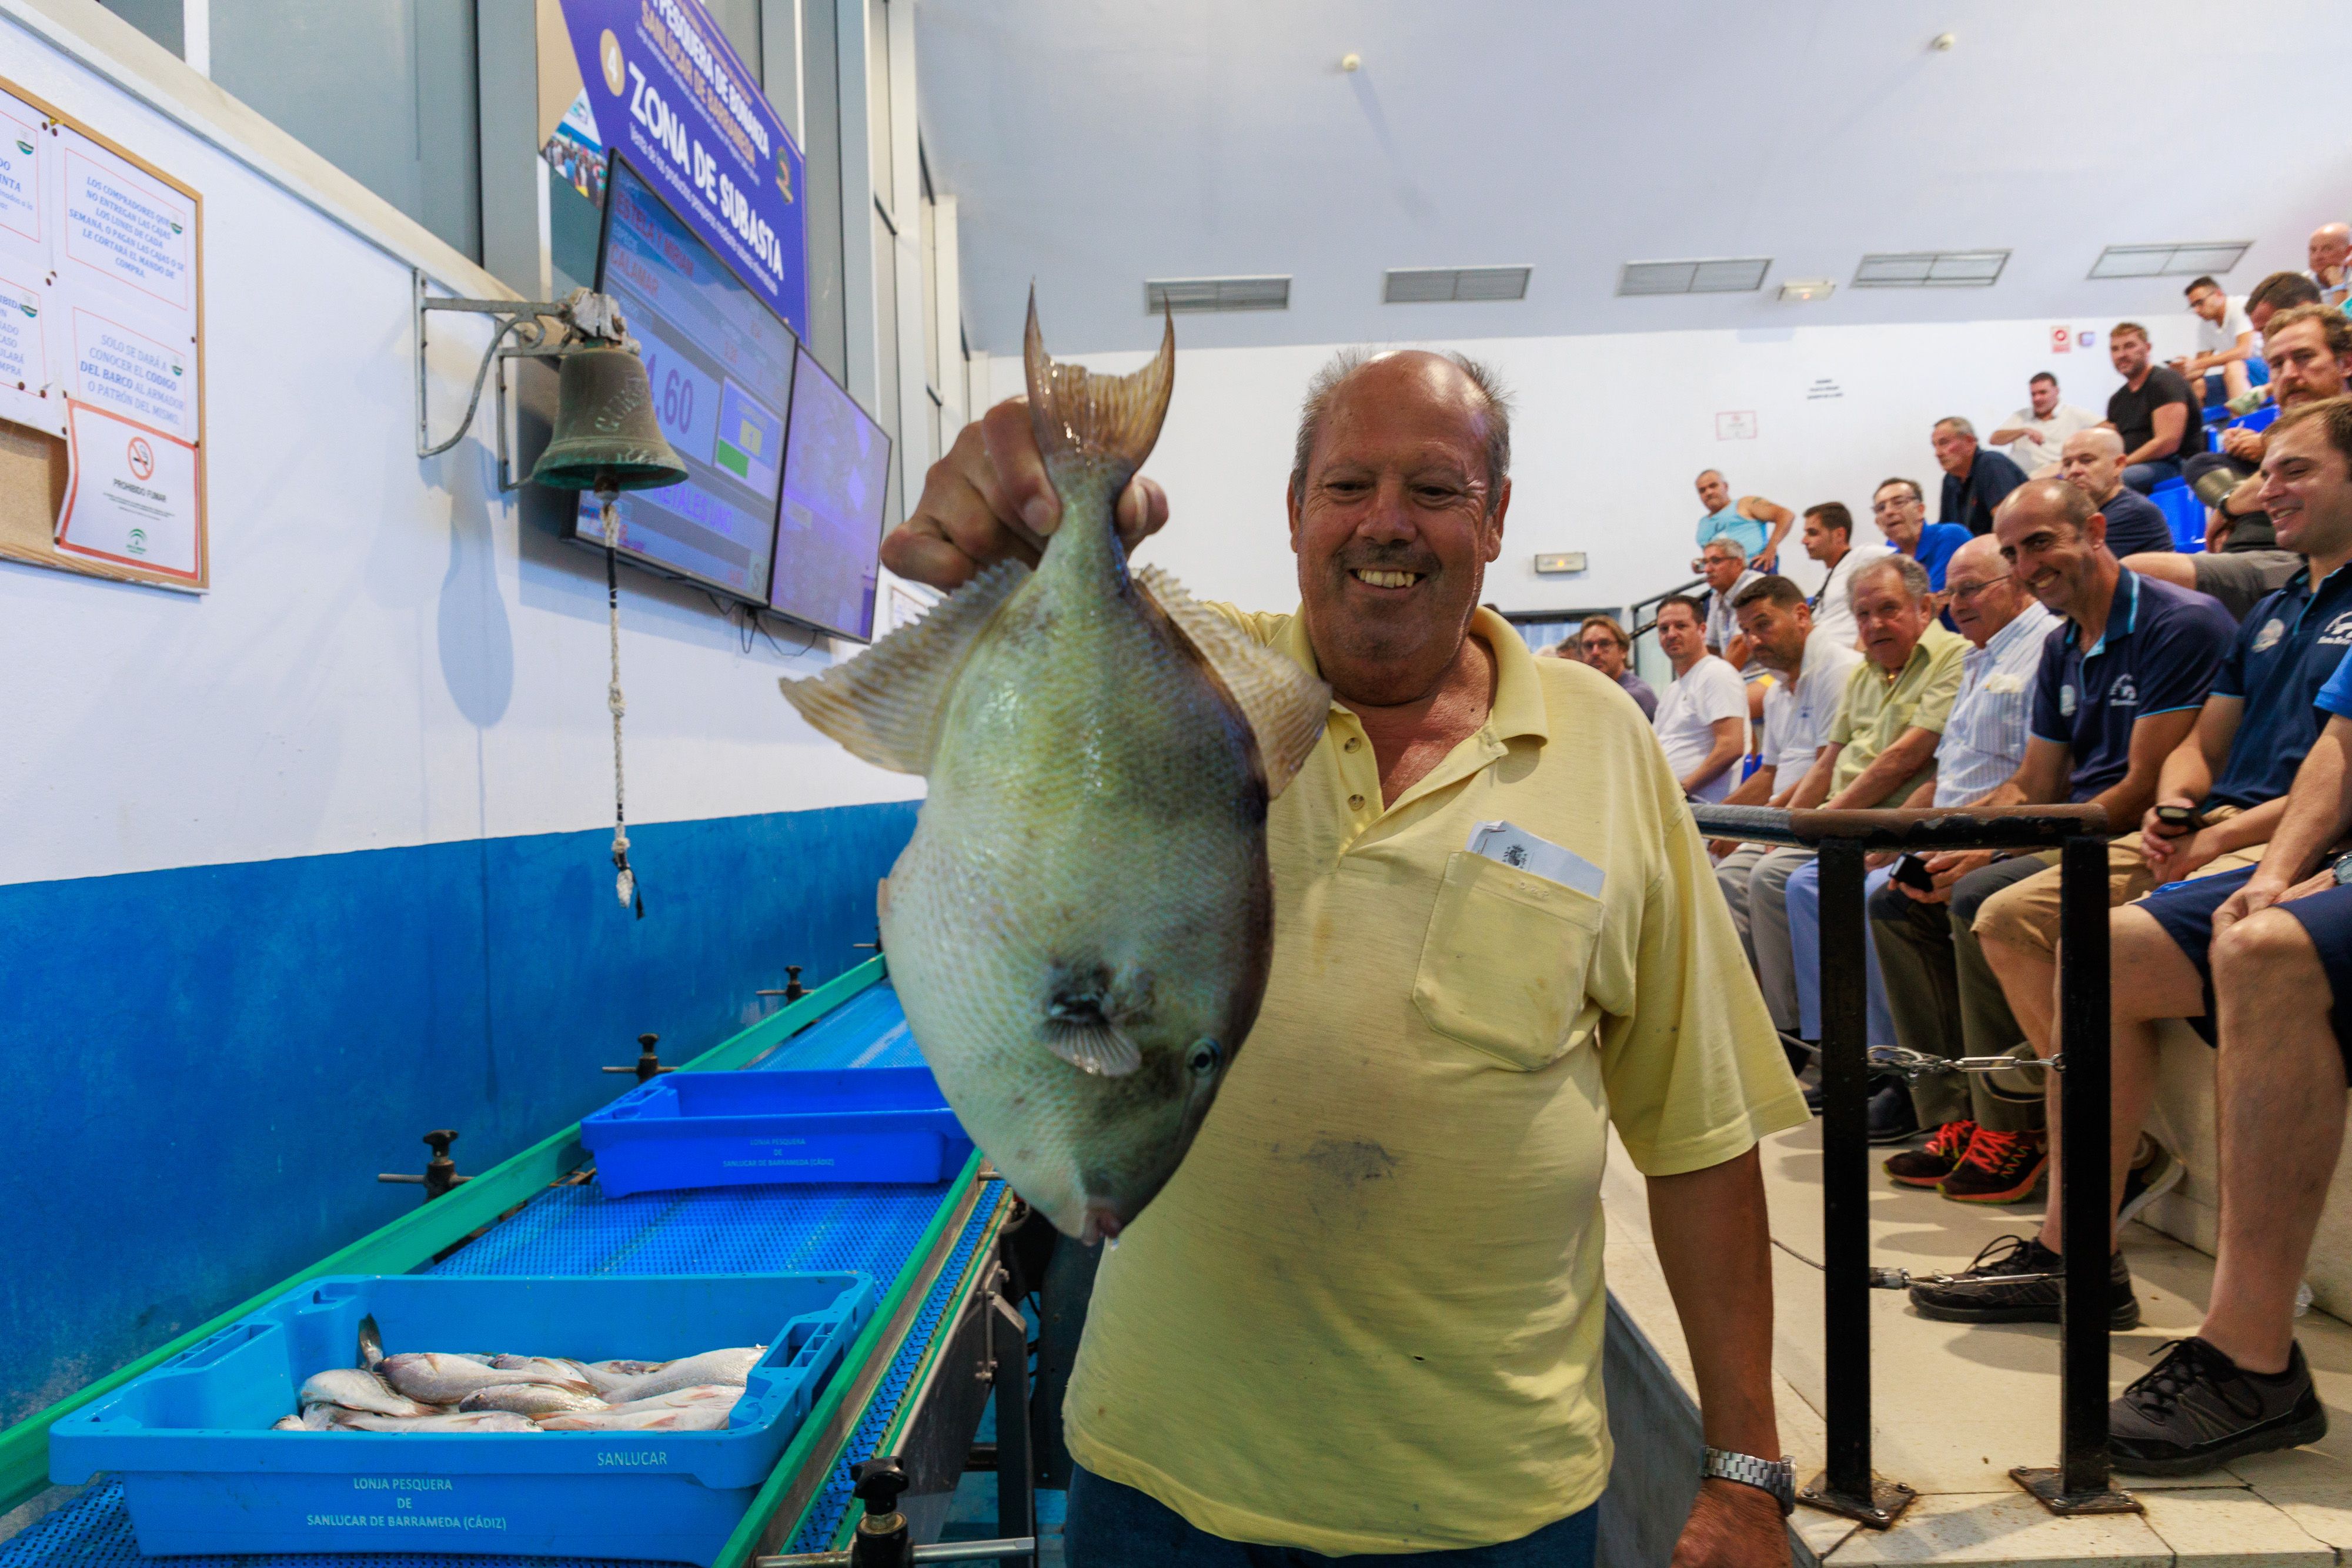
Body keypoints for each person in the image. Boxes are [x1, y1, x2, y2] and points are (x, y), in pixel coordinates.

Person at [890, 348, 1806, 1564]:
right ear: (1292, 513)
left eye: (1433, 488)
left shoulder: (1608, 745)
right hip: (1161, 1484)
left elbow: (1696, 1135)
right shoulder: (1189, 681)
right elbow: (1015, 675)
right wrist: (1005, 506)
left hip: (1493, 1507)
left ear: (1494, 518)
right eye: (1346, 485)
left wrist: (1742, 1469)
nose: (1386, 522)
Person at [1925, 397, 2352, 1368]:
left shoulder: (2191, 614)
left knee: (2046, 921)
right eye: (2266, 470)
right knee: (2075, 943)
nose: (2264, 489)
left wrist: (2220, 837)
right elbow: (2200, 749)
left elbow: (2329, 772)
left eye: (2296, 471)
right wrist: (2180, 809)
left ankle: (2240, 1340)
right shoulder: (2280, 607)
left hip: (2280, 841)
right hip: (2210, 834)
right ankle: (2082, 1248)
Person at [1876, 482, 2232, 1222]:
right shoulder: (2065, 642)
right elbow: (2033, 781)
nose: (2028, 565)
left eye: (2040, 543)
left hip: (2144, 829)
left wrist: (1989, 854)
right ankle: (1971, 1112)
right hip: (2077, 824)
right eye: (2013, 551)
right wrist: (1958, 837)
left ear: (2095, 530)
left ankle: (2038, 1128)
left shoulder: (2178, 622)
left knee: (1981, 896)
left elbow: (2138, 787)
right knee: (1900, 897)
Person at [1822, 536, 2056, 1162]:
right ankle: (1946, 1110)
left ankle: (2008, 1123)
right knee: (1891, 903)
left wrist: (1978, 847)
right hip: (1964, 825)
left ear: (2018, 580)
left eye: (1971, 589)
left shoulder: (2046, 646)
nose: (1958, 604)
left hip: (2023, 830)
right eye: (1953, 592)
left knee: (1968, 897)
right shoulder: (1981, 657)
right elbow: (1944, 773)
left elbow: (2039, 781)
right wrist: (1902, 833)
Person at [1748, 556, 1965, 1113]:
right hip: (1851, 826)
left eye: (1888, 609)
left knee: (1866, 894)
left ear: (1925, 607)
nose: (1874, 625)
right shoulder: (1867, 672)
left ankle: (1896, 1067)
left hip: (1899, 826)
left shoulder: (1952, 658)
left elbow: (1908, 760)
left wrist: (1829, 824)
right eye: (1863, 614)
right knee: (1799, 886)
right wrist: (1807, 824)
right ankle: (1842, 1050)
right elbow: (1832, 758)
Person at [1710, 576, 1863, 1033]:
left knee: (1761, 878)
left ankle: (1793, 1030)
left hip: (1826, 815)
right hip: (1788, 817)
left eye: (1764, 625)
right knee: (1724, 877)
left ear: (1802, 615)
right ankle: (1749, 1025)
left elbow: (1825, 769)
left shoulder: (1837, 668)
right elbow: (1770, 774)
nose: (1755, 640)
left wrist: (1766, 827)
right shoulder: (1776, 689)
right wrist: (1714, 821)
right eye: (1747, 631)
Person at [2130, 303, 2352, 618]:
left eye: (2304, 357)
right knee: (2200, 463)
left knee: (2137, 575)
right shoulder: (2278, 434)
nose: (2289, 374)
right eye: (2277, 364)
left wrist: (2227, 507)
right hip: (2251, 548)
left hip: (2299, 561)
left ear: (2345, 363)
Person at [1652, 593, 1750, 804]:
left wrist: (1681, 791)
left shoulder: (1716, 674)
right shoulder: (1672, 691)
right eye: (1664, 628)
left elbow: (1731, 746)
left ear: (1702, 630)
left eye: (1681, 626)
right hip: (1671, 806)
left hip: (1700, 808)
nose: (1671, 634)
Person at [2103, 322, 2204, 493]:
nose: (2121, 355)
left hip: (2175, 464)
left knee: (2115, 482)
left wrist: (2122, 464)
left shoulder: (2165, 382)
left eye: (2129, 346)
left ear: (2147, 348)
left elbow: (2167, 443)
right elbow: (2112, 443)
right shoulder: (2117, 400)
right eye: (2115, 349)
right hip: (2136, 466)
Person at [2056, 428, 2177, 559]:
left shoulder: (2133, 512)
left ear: (2118, 465)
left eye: (2087, 461)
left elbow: (2075, 567)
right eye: (2067, 464)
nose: (2074, 470)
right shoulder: (2085, 513)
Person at [1800, 500, 1880, 647]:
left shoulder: (1861, 556)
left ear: (1839, 535)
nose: (1804, 541)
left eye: (1812, 533)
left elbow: (1906, 560)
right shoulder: (1825, 578)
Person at [1991, 373, 2100, 479]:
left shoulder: (2074, 414)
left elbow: (2108, 430)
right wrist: (2023, 431)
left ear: (2056, 391)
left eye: (2043, 393)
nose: (2037, 399)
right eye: (2033, 394)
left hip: (2055, 478)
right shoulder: (2021, 416)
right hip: (2017, 477)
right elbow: (1994, 440)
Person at [1934, 416, 2030, 536]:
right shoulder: (1950, 480)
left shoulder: (1991, 464)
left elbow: (2009, 525)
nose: (1938, 453)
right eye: (1935, 446)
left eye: (1944, 443)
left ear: (1969, 441)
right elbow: (1947, 532)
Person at [1872, 476, 1972, 589]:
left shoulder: (1950, 536)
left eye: (1898, 503)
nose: (1888, 512)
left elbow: (1932, 601)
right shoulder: (1892, 555)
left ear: (1920, 510)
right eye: (1881, 508)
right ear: (1877, 522)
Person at [2171, 276, 2257, 406]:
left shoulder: (2239, 306)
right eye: (2193, 306)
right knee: (2197, 384)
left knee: (2233, 366)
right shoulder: (2205, 325)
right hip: (2238, 375)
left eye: (2200, 303)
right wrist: (2181, 372)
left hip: (2265, 368)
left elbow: (2245, 351)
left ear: (2218, 294)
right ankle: (2198, 426)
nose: (2197, 310)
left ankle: (2242, 423)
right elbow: (2199, 369)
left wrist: (2196, 364)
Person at [1693, 469, 1795, 573]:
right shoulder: (1703, 524)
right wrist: (1701, 565)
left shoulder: (1745, 504)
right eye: (1702, 490)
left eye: (1713, 486)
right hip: (1725, 581)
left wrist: (1771, 548)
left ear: (1725, 486)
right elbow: (1713, 558)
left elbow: (1786, 515)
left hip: (1754, 571)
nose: (1709, 492)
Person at [1700, 536, 1763, 669]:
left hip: (1765, 674)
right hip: (1739, 675)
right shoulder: (1716, 597)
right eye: (1705, 563)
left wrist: (1721, 681)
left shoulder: (1754, 586)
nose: (1707, 569)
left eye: (1715, 561)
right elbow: (1712, 648)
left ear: (1738, 563)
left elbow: (1741, 644)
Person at [1577, 614, 1656, 718]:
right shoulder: (1588, 693)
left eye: (1604, 644)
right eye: (1589, 646)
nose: (1595, 652)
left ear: (1623, 650)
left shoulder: (1635, 695)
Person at [2308, 222, 2351, 308]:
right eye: (2313, 250)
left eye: (2327, 249)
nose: (2317, 257)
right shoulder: (2299, 285)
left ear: (2347, 251)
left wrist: (2338, 286)